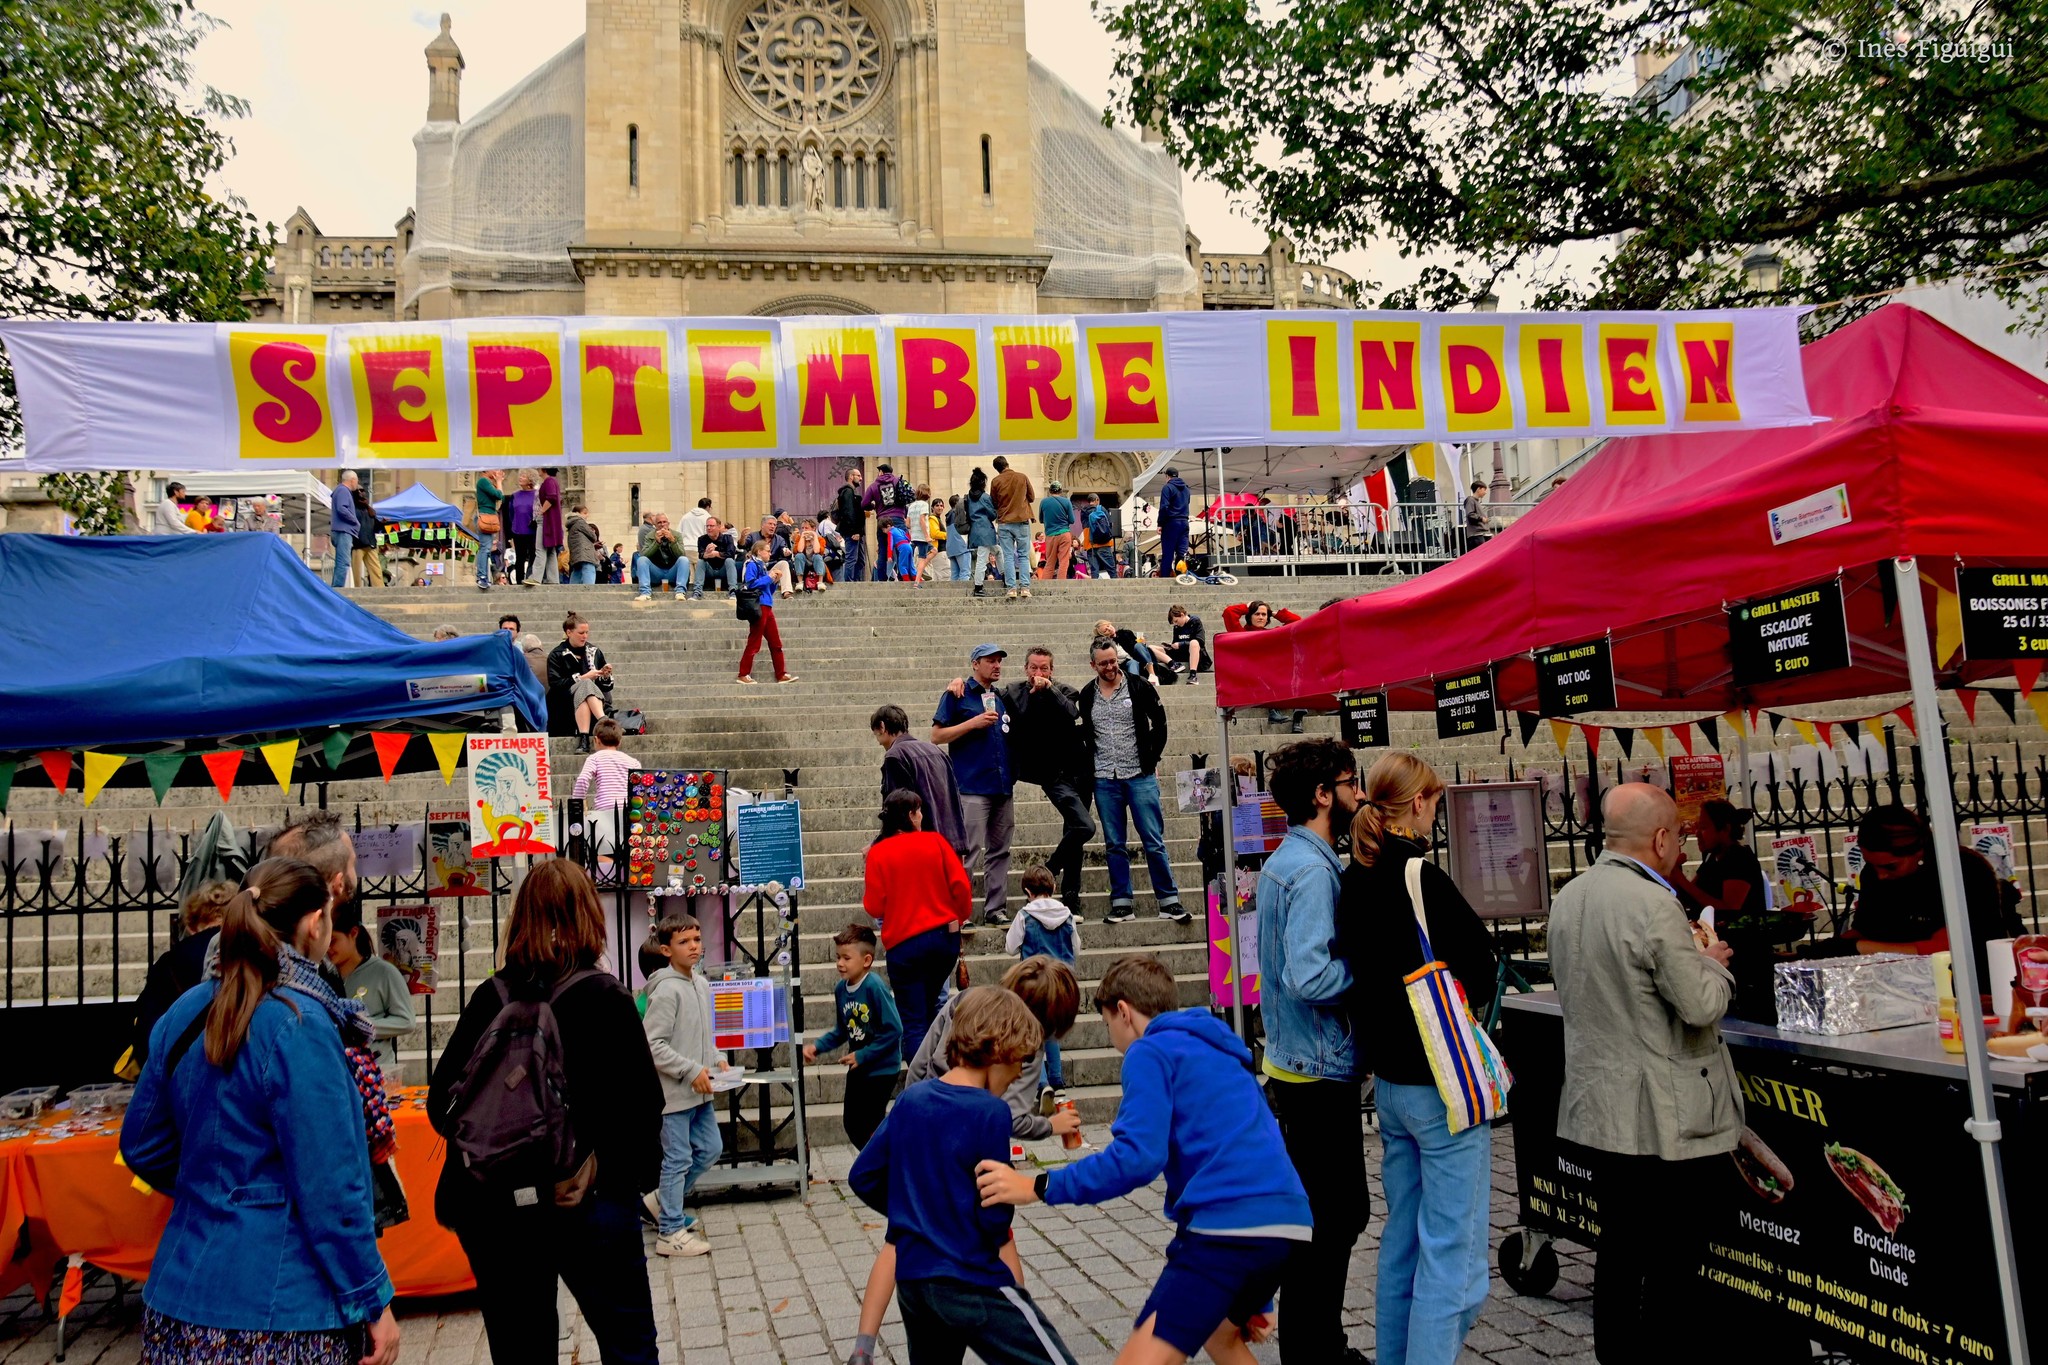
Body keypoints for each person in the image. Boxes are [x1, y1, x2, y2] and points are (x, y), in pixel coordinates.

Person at [122, 858, 402, 1365]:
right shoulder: (303, 1022)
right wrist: (371, 1297)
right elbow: (332, 1186)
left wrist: (216, 1189)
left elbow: (141, 1144)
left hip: (181, 1290)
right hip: (283, 1309)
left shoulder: (184, 1011)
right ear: (316, 923)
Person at [974, 955, 1309, 1365]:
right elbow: (1255, 1144)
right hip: (1288, 1222)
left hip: (1226, 1231)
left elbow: (1136, 1158)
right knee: (1221, 1337)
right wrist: (1255, 1291)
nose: (1111, 1035)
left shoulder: (1148, 1051)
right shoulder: (1218, 1049)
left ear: (1124, 1012)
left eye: (1107, 1023)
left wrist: (1037, 1186)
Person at [428, 859, 664, 1365]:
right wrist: (603, 1166)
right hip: (587, 1199)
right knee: (629, 1346)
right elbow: (646, 1110)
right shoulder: (607, 999)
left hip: (498, 1210)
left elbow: (441, 1104)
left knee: (521, 1353)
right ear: (588, 915)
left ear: (522, 918)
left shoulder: (491, 998)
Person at [1550, 783, 1739, 1365]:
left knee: (1621, 1251)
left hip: (1601, 1105)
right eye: (1678, 838)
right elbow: (1699, 1006)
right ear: (1659, 839)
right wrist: (1715, 965)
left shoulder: (1571, 894)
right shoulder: (1653, 904)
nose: (1681, 849)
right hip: (1663, 1114)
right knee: (1673, 1260)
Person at [1340, 754, 1497, 1365]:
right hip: (1442, 1081)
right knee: (1455, 1258)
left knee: (1402, 1239)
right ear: (1419, 803)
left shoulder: (1353, 878)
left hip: (1391, 1083)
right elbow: (1481, 969)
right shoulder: (1419, 876)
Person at [850, 959, 1081, 1365]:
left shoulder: (910, 1101)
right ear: (998, 1053)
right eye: (1018, 1064)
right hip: (970, 1280)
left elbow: (863, 1176)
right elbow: (994, 1213)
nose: (1016, 1077)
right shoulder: (990, 1113)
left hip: (915, 1284)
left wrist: (918, 1214)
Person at [1256, 737, 1369, 1364]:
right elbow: (1309, 976)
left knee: (1325, 1214)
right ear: (1323, 794)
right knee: (1336, 1215)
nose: (1358, 795)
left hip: (1297, 1062)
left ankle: (1314, 1341)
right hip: (1317, 1068)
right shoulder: (1313, 869)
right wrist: (1371, 976)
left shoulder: (1288, 860)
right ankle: (1314, 1347)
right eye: (1350, 784)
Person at [1845, 803, 2022, 981]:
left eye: (1890, 866)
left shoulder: (1963, 868)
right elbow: (1866, 927)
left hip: (1967, 982)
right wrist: (1838, 946)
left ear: (1918, 851)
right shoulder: (1872, 876)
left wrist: (1862, 947)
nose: (1880, 875)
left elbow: (1951, 946)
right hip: (1900, 983)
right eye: (1872, 865)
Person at [863, 789, 974, 1069]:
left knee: (912, 1019)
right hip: (941, 939)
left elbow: (874, 906)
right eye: (919, 811)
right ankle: (939, 1069)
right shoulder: (935, 842)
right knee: (929, 1007)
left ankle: (919, 1081)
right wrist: (958, 917)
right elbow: (961, 887)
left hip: (904, 944)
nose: (922, 815)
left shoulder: (879, 853)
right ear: (911, 815)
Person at [1080, 638, 1188, 925]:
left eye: (1113, 660)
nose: (1110, 666)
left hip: (1139, 775)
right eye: (1103, 663)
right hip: (1105, 778)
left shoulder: (1139, 686)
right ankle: (1121, 902)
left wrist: (1152, 760)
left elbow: (1160, 724)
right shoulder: (1086, 695)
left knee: (1153, 840)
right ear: (1094, 665)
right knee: (1114, 843)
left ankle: (1169, 900)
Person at [640, 912, 727, 1258]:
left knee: (710, 1149)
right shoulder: (665, 991)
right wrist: (690, 1069)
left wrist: (716, 1057)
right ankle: (670, 1230)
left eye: (696, 939)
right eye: (684, 942)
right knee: (676, 1159)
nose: (694, 947)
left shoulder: (701, 984)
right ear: (665, 949)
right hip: (674, 1094)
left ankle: (660, 1202)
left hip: (700, 1091)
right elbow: (653, 1045)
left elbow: (704, 1033)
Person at [932, 644, 1017, 925]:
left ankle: (996, 909)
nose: (997, 665)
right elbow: (937, 736)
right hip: (971, 787)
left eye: (999, 661)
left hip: (1002, 786)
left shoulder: (1001, 696)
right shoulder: (958, 693)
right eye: (990, 661)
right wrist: (974, 723)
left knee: (1000, 851)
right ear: (974, 664)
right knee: (967, 852)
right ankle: (961, 911)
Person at [803, 923, 904, 1150]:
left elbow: (894, 1029)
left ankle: (884, 1167)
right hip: (859, 1066)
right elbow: (842, 1030)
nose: (840, 963)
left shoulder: (874, 987)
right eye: (838, 957)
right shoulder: (841, 989)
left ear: (866, 960)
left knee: (869, 1125)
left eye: (846, 958)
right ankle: (880, 1165)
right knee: (852, 1123)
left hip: (882, 1069)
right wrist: (817, 1047)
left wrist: (864, 1054)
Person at [127, 880, 234, 1066]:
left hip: (184, 1066)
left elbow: (146, 1032)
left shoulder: (170, 961)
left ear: (191, 924)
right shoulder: (254, 952)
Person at [327, 900, 417, 1079]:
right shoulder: (323, 975)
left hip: (376, 1074)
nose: (328, 948)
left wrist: (363, 1025)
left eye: (333, 941)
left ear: (353, 933)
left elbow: (406, 1021)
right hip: (336, 1073)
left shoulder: (385, 972)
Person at [1005, 868, 1076, 1090]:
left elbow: (1010, 947)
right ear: (1054, 888)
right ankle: (1056, 1078)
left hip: (1033, 982)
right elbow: (1075, 947)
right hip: (1061, 983)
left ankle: (1041, 1081)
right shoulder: (1067, 915)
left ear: (1027, 891)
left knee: (1033, 1030)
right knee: (1052, 1030)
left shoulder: (1024, 916)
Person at [872, 703, 968, 855]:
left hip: (922, 848)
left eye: (875, 733)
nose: (878, 741)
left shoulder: (895, 756)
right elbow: (955, 799)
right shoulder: (937, 751)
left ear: (882, 727)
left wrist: (877, 844)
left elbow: (898, 810)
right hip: (950, 846)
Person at [1670, 799, 1768, 920]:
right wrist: (1674, 873)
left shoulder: (1739, 858)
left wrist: (1681, 879)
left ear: (1725, 829)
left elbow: (1729, 910)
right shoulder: (1712, 858)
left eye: (1704, 828)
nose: (1697, 834)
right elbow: (1690, 897)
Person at [1224, 599, 1309, 730]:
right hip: (1251, 677)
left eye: (1264, 615)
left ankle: (1297, 714)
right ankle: (1277, 710)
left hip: (1274, 675)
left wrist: (1274, 613)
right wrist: (1247, 606)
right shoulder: (1239, 632)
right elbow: (1229, 612)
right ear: (1249, 616)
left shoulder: (1272, 633)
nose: (1261, 617)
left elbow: (1297, 621)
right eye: (1257, 614)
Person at [548, 611, 614, 749]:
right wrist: (582, 678)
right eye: (581, 633)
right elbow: (555, 684)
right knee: (585, 683)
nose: (585, 636)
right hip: (565, 700)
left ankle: (584, 739)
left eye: (587, 632)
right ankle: (604, 722)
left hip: (595, 700)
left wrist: (605, 676)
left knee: (585, 690)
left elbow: (607, 688)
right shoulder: (557, 654)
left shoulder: (595, 651)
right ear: (569, 632)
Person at [736, 535, 797, 684]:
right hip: (759, 605)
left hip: (766, 605)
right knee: (755, 640)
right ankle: (743, 673)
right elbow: (750, 584)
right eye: (768, 551)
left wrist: (774, 580)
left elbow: (766, 587)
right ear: (759, 551)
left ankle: (781, 673)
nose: (770, 553)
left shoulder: (762, 565)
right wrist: (769, 578)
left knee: (775, 642)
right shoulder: (751, 564)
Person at [572, 717, 643, 816]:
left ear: (596, 740)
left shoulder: (594, 758)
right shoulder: (633, 762)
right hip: (629, 810)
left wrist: (579, 803)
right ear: (619, 742)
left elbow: (583, 779)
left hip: (604, 810)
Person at [989, 454, 1036, 599]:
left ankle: (1011, 589)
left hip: (1004, 522)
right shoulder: (1022, 477)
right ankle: (1025, 588)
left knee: (1008, 556)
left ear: (997, 469)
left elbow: (994, 502)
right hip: (1021, 520)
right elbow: (1032, 497)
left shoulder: (996, 481)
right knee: (1023, 555)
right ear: (1007, 464)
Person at [863, 462, 914, 577]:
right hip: (898, 519)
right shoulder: (898, 481)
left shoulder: (873, 485)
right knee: (902, 548)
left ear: (880, 472)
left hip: (882, 520)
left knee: (883, 550)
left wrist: (874, 506)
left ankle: (881, 580)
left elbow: (864, 504)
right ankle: (904, 577)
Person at [962, 468, 999, 597]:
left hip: (975, 530)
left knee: (998, 551)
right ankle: (978, 586)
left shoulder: (968, 498)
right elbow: (993, 514)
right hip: (985, 531)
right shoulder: (985, 497)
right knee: (982, 560)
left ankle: (1005, 575)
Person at [634, 512, 686, 600]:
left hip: (672, 572)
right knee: (641, 560)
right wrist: (656, 542)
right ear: (655, 525)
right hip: (656, 572)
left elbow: (681, 554)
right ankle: (645, 593)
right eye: (659, 523)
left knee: (684, 560)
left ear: (668, 524)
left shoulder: (677, 535)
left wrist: (673, 541)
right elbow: (644, 555)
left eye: (664, 522)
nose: (662, 525)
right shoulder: (649, 536)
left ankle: (680, 592)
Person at [743, 515, 796, 597]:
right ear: (762, 525)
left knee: (784, 563)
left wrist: (786, 552)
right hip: (757, 567)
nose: (773, 526)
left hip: (771, 567)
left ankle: (787, 591)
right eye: (770, 524)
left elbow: (784, 549)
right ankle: (746, 587)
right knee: (748, 562)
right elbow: (742, 546)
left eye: (774, 525)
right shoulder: (753, 536)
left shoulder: (779, 539)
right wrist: (742, 537)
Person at [1156, 466, 1192, 576]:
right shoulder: (1186, 489)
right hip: (1184, 522)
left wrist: (1160, 523)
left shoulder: (1167, 488)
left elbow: (1164, 507)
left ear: (1167, 476)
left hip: (1171, 523)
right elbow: (1188, 503)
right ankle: (1181, 576)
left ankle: (1165, 579)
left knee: (1168, 553)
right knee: (1182, 553)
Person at [1156, 605, 1207, 681]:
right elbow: (1175, 642)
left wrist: (1181, 644)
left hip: (1195, 653)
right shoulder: (1177, 627)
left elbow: (1201, 641)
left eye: (1176, 621)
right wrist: (1171, 646)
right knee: (1151, 648)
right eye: (1174, 623)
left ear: (1182, 615)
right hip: (1180, 653)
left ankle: (1193, 675)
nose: (1176, 624)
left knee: (1194, 642)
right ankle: (1173, 664)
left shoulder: (1195, 621)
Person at [693, 515, 740, 599]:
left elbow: (731, 554)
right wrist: (706, 554)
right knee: (700, 561)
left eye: (711, 526)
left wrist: (716, 554)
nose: (709, 528)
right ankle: (697, 591)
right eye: (707, 526)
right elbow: (700, 554)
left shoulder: (728, 538)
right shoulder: (702, 539)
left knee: (729, 561)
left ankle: (733, 590)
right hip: (709, 570)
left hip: (723, 569)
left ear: (718, 527)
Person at [835, 467, 869, 581]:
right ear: (851, 477)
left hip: (855, 530)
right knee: (851, 559)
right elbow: (848, 512)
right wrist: (855, 531)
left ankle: (856, 582)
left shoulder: (852, 492)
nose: (861, 478)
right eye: (858, 476)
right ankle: (849, 584)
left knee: (860, 560)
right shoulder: (848, 491)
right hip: (852, 531)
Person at [1038, 480, 1075, 583]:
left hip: (1050, 535)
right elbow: (1072, 520)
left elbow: (1041, 519)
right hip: (1064, 533)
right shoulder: (1066, 501)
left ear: (1050, 491)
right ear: (1061, 491)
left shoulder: (1043, 502)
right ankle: (1061, 583)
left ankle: (1045, 584)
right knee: (1064, 560)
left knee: (1050, 561)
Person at [474, 468, 505, 588]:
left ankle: (484, 576)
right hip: (485, 517)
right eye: (495, 469)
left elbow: (501, 498)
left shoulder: (487, 483)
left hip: (489, 517)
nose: (497, 471)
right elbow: (499, 495)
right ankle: (481, 576)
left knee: (486, 548)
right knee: (485, 548)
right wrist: (499, 482)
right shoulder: (483, 481)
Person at [506, 470, 539, 585]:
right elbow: (511, 513)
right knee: (519, 557)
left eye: (524, 476)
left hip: (533, 530)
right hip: (518, 530)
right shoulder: (515, 495)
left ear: (530, 480)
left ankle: (532, 578)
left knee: (534, 555)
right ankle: (519, 581)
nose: (520, 478)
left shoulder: (537, 494)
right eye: (520, 476)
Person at [326, 474, 359, 587]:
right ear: (352, 480)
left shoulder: (340, 491)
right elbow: (342, 508)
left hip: (340, 530)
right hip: (343, 531)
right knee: (343, 562)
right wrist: (355, 521)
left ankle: (336, 588)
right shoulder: (343, 491)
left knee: (341, 562)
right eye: (356, 481)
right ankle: (337, 589)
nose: (357, 484)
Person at [537, 466, 565, 584]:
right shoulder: (553, 481)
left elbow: (551, 497)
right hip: (551, 520)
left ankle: (536, 577)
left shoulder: (549, 481)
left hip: (547, 520)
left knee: (540, 548)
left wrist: (541, 511)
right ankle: (553, 579)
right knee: (550, 550)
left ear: (544, 469)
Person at [676, 496, 713, 584]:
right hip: (699, 548)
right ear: (708, 506)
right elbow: (709, 533)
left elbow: (678, 533)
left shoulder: (686, 516)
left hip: (686, 547)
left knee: (690, 577)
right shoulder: (707, 517)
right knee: (699, 576)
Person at [566, 502, 604, 584]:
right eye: (585, 513)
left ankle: (572, 591)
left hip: (576, 553)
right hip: (585, 553)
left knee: (577, 571)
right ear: (578, 513)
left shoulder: (572, 524)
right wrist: (592, 532)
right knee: (589, 569)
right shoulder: (580, 522)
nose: (587, 515)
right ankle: (589, 591)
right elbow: (593, 536)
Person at [791, 518, 830, 591]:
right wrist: (802, 537)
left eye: (806, 528)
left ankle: (820, 582)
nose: (804, 530)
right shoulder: (799, 538)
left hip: (816, 564)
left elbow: (817, 550)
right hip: (804, 565)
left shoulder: (820, 539)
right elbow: (799, 550)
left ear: (813, 528)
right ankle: (800, 582)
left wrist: (814, 537)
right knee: (799, 556)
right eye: (802, 528)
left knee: (817, 556)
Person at [943, 494, 971, 581]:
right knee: (965, 572)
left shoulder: (948, 515)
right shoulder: (958, 513)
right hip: (961, 546)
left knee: (954, 574)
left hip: (951, 547)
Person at [1461, 479, 1490, 552]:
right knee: (1482, 555)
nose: (1485, 492)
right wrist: (1481, 518)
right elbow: (1470, 514)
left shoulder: (1475, 501)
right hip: (1476, 534)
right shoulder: (1470, 500)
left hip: (1480, 534)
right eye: (1484, 490)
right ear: (1478, 489)